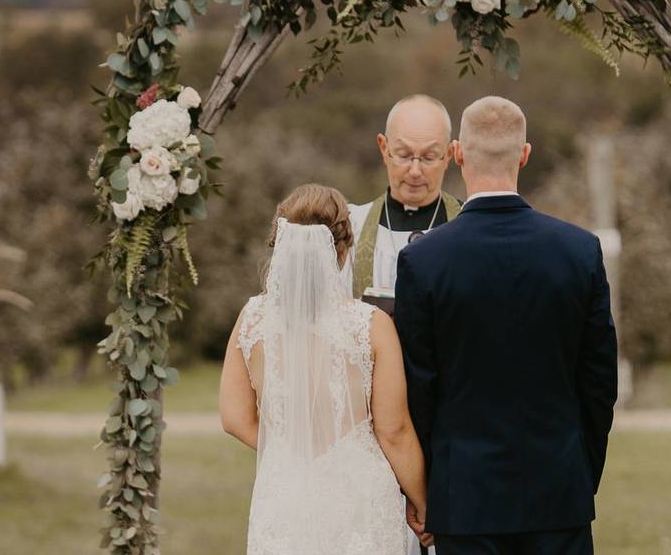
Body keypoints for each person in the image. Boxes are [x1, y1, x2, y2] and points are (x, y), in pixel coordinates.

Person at [395, 96, 618, 555]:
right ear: (524, 154)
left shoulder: (423, 260)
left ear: (457, 154)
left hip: (464, 499)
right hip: (559, 492)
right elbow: (599, 382)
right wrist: (579, 472)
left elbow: (420, 388)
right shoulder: (579, 251)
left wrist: (429, 490)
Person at [219, 184, 428, 555]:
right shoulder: (371, 325)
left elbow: (235, 418)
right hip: (360, 496)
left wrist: (289, 448)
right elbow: (393, 430)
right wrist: (423, 502)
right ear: (343, 252)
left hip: (284, 494)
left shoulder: (251, 318)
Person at [346, 94, 462, 300]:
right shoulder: (351, 227)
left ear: (449, 154)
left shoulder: (470, 225)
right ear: (384, 148)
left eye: (429, 157)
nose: (415, 171)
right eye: (404, 155)